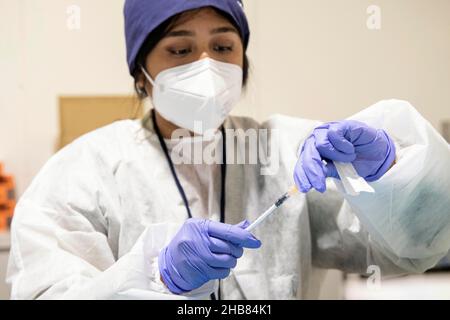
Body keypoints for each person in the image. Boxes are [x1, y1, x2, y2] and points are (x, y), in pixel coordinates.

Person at [6, 0, 450, 300]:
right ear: (141, 75)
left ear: (243, 61)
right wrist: (160, 278)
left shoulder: (290, 151)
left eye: (222, 47)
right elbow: (48, 292)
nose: (206, 66)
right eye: (180, 49)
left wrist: (390, 173)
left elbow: (416, 245)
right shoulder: (86, 172)